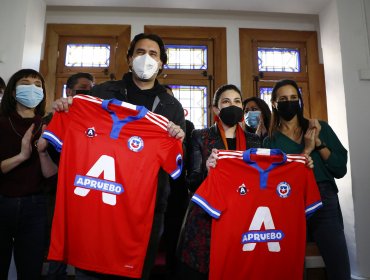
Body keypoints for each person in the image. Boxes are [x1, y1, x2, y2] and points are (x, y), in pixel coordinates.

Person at [51, 33, 185, 280]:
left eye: (153, 54)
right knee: (89, 270)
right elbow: (69, 141)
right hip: (98, 201)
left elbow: (176, 163)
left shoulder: (171, 106)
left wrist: (178, 139)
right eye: (140, 52)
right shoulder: (101, 93)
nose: (146, 58)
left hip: (146, 207)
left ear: (162, 62)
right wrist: (65, 111)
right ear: (129, 57)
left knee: (135, 271)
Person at [262, 79, 350, 280]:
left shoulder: (319, 128)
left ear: (300, 101)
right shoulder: (271, 141)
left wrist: (317, 143)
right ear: (274, 103)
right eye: (283, 99)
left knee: (338, 264)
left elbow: (339, 168)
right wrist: (306, 151)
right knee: (290, 264)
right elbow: (273, 180)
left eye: (294, 98)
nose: (289, 102)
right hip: (288, 202)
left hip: (323, 197)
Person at [176, 84, 261, 279]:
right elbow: (192, 183)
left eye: (237, 101)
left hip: (241, 215)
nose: (233, 105)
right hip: (207, 217)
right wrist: (207, 169)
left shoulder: (254, 141)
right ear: (216, 109)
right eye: (226, 102)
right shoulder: (200, 136)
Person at [0, 69, 58, 279]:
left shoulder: (49, 125)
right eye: (25, 83)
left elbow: (52, 177)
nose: (32, 89)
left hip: (36, 206)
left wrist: (42, 153)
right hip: (2, 202)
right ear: (14, 92)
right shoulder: (2, 123)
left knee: (31, 271)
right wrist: (22, 156)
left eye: (37, 85)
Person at [47, 72, 95, 280]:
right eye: (83, 91)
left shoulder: (95, 122)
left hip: (84, 194)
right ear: (69, 92)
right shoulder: (54, 118)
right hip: (55, 193)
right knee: (57, 253)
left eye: (91, 92)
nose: (87, 96)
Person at [162, 85, 194, 279]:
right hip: (149, 190)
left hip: (177, 190)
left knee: (174, 241)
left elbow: (189, 160)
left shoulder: (187, 126)